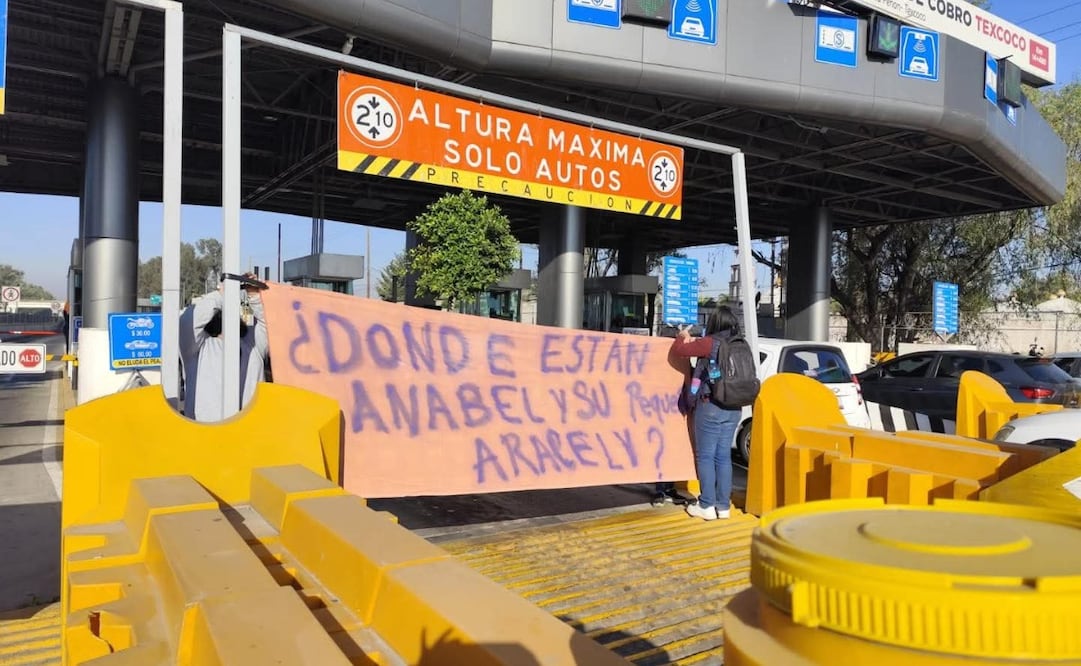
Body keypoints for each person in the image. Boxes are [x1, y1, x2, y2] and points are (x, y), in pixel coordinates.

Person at [668, 305, 743, 521]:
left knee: (706, 456)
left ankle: (706, 505)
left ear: (715, 323)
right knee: (723, 457)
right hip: (734, 408)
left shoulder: (711, 342)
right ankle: (723, 507)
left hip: (711, 406)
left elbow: (680, 350)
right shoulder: (741, 343)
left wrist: (683, 336)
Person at [179, 273, 268, 421]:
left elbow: (270, 325)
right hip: (207, 434)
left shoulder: (252, 343)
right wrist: (222, 294)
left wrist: (254, 295)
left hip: (250, 434)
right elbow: (189, 321)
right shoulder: (198, 347)